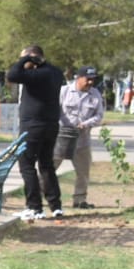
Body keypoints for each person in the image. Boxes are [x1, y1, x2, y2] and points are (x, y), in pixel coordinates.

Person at [6, 45, 66, 221]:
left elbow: (12, 75)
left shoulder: (39, 73)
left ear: (33, 58)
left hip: (33, 126)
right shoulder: (55, 72)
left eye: (23, 58)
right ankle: (56, 206)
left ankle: (34, 207)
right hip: (50, 126)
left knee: (26, 166)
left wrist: (26, 59)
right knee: (46, 165)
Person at [55, 66, 106, 210]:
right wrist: (61, 125)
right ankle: (38, 196)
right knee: (49, 168)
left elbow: (99, 116)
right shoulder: (64, 91)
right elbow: (54, 111)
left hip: (82, 140)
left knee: (83, 172)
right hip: (61, 138)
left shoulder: (95, 94)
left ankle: (80, 200)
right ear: (79, 78)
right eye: (87, 79)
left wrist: (86, 124)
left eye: (93, 79)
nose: (90, 82)